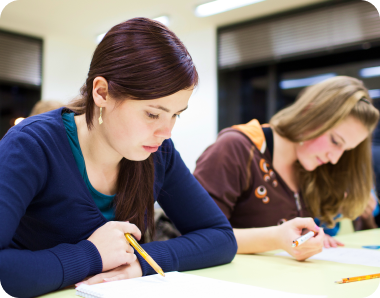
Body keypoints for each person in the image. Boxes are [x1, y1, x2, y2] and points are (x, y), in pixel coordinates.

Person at [0, 18, 237, 298]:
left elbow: (220, 238)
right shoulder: (31, 145)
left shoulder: (158, 153)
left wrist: (141, 261)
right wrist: (92, 255)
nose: (166, 132)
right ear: (101, 93)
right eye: (152, 114)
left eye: (176, 115)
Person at [194, 76, 379, 261]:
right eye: (335, 141)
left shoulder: (314, 167)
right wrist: (276, 239)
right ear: (310, 113)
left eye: (345, 151)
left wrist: (311, 239)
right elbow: (199, 235)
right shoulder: (236, 148)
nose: (335, 158)